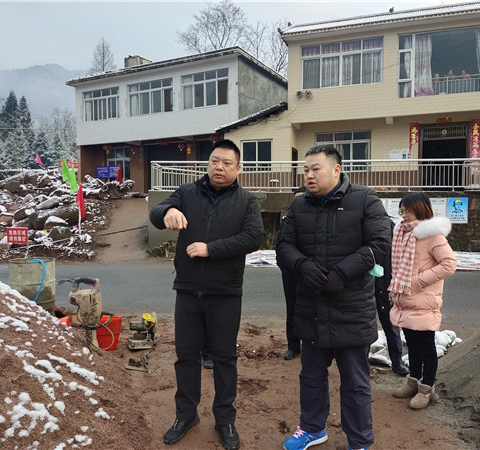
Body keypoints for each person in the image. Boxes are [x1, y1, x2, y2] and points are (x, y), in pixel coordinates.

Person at [149, 139, 264, 450]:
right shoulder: (187, 194)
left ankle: (225, 419)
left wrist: (210, 249)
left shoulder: (247, 201)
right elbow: (156, 212)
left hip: (225, 293)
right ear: (208, 163)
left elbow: (253, 237)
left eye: (226, 163)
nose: (219, 167)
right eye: (214, 161)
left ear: (238, 168)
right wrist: (169, 210)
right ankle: (186, 414)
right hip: (187, 291)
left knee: (225, 358)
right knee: (186, 356)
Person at [276, 145, 392, 450]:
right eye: (306, 170)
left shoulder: (365, 200)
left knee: (355, 382)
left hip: (351, 308)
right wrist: (302, 265)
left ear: (336, 169)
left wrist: (342, 272)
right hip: (312, 307)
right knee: (311, 376)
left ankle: (360, 441)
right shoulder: (299, 206)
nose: (309, 175)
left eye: (316, 168)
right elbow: (283, 246)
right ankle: (312, 428)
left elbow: (380, 244)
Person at [389, 193, 457, 410]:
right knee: (412, 345)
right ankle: (413, 381)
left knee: (426, 347)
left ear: (419, 209)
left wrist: (418, 281)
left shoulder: (432, 235)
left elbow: (449, 264)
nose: (403, 215)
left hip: (424, 300)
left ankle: (426, 388)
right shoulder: (401, 233)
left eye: (407, 211)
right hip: (406, 299)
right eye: (401, 211)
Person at [375, 220, 409, 376]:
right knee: (362, 325)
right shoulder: (358, 223)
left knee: (391, 325)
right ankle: (358, 362)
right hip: (365, 284)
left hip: (386, 283)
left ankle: (397, 361)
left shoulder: (390, 226)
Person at [277, 186, 306, 361]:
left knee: (311, 310)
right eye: (296, 199)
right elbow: (280, 245)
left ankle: (311, 346)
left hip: (310, 273)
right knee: (292, 309)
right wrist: (283, 265)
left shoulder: (315, 218)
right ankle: (293, 346)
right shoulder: (287, 220)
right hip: (290, 272)